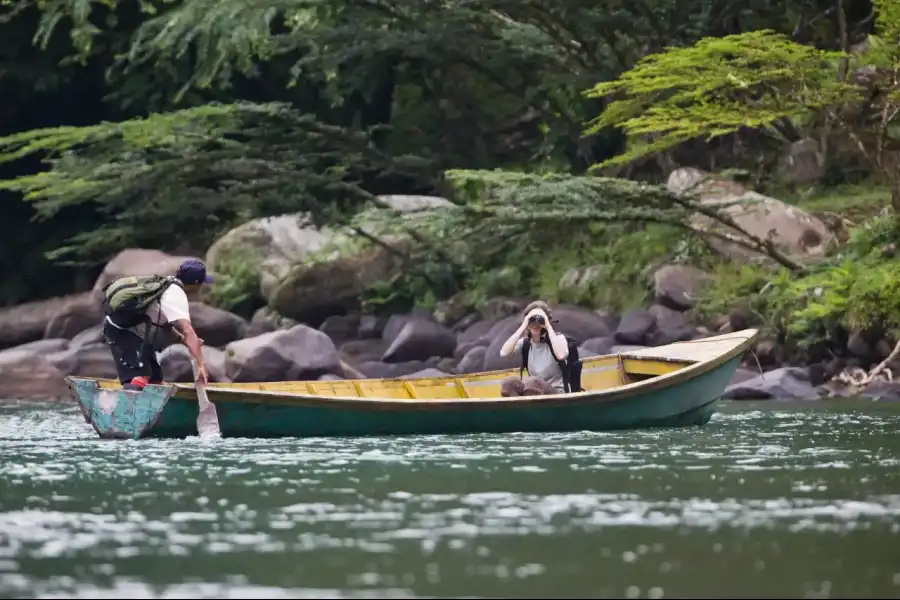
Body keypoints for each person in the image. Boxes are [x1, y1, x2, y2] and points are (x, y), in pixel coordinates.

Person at [101, 259, 212, 390]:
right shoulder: (176, 294)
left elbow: (164, 324)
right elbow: (188, 330)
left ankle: (159, 408)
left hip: (137, 334)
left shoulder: (166, 284)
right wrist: (201, 365)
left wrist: (184, 341)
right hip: (122, 332)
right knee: (139, 377)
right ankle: (127, 409)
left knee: (155, 378)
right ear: (195, 284)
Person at [498, 301, 571, 397]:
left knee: (533, 381)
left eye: (540, 318)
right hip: (533, 391)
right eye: (532, 319)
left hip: (557, 394)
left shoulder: (558, 339)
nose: (536, 323)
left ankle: (532, 409)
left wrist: (547, 325)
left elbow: (561, 355)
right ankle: (517, 410)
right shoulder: (526, 343)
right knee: (509, 383)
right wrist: (523, 325)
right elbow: (504, 353)